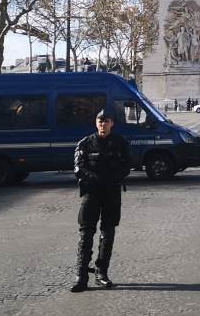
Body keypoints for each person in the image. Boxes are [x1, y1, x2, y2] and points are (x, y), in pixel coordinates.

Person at [70, 109, 132, 292]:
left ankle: (101, 272)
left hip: (111, 192)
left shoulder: (120, 143)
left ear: (112, 123)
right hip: (91, 192)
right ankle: (81, 275)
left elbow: (127, 164)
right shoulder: (86, 143)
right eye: (100, 120)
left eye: (106, 121)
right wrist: (96, 180)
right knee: (86, 232)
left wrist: (113, 179)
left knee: (108, 232)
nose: (103, 124)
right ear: (95, 123)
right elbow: (78, 167)